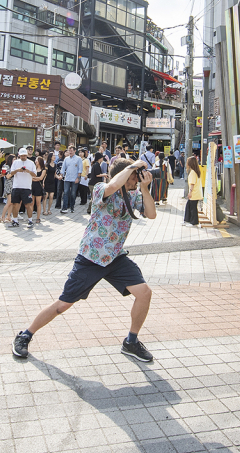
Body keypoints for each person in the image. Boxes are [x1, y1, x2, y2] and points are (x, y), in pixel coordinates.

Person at [12, 159, 159, 362]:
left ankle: (131, 342)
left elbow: (151, 214)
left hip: (115, 257)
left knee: (144, 293)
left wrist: (144, 188)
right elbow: (114, 185)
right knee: (62, 305)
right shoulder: (100, 188)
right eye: (134, 177)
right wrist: (132, 166)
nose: (136, 179)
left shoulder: (133, 195)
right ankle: (25, 335)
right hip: (91, 257)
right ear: (123, 174)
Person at [6, 147, 37, 228]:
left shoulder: (31, 163)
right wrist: (18, 170)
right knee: (15, 204)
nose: (23, 157)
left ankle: (30, 220)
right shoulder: (16, 162)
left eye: (25, 156)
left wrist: (28, 171)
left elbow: (35, 174)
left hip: (26, 187)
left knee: (28, 204)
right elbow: (11, 173)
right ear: (19, 155)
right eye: (22, 156)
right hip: (16, 186)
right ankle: (15, 220)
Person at [59, 146, 81, 212]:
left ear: (75, 151)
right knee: (65, 192)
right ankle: (64, 208)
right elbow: (63, 168)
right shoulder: (66, 159)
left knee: (73, 193)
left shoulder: (78, 159)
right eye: (69, 150)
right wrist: (61, 175)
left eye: (71, 151)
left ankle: (72, 207)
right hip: (67, 178)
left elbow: (80, 169)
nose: (70, 152)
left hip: (75, 178)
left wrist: (78, 178)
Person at [184, 155, 203, 226]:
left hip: (194, 193)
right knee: (190, 206)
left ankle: (194, 222)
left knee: (193, 208)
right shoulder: (196, 171)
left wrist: (190, 192)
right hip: (197, 192)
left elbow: (192, 183)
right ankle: (188, 220)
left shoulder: (192, 172)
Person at [30, 155, 46, 223]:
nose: (36, 161)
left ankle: (38, 217)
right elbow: (30, 176)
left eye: (37, 160)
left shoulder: (43, 169)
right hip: (32, 186)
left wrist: (33, 178)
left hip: (38, 187)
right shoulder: (33, 169)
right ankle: (30, 217)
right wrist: (34, 179)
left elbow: (41, 178)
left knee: (38, 203)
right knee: (31, 203)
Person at [41, 146, 57, 214]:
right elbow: (45, 174)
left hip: (52, 181)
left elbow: (55, 174)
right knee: (45, 196)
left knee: (51, 196)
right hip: (47, 181)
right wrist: (43, 182)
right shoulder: (47, 165)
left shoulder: (55, 165)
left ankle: (49, 209)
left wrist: (58, 177)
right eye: (53, 155)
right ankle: (44, 210)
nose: (54, 156)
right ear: (50, 157)